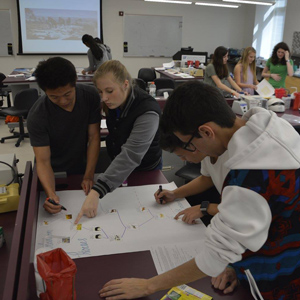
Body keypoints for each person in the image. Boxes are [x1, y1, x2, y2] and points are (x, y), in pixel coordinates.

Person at [99, 81, 300, 300]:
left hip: (283, 271)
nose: (194, 152)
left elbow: (214, 257)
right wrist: (237, 264)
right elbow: (258, 216)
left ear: (206, 132)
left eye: (188, 143)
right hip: (267, 248)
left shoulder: (249, 177)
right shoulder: (263, 124)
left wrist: (148, 286)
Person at [75, 60, 162, 224]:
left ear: (126, 84)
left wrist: (96, 192)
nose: (104, 98)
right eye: (100, 92)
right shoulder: (116, 102)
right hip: (119, 165)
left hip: (145, 170)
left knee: (140, 216)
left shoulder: (147, 111)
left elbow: (131, 155)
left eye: (109, 91)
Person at [27, 57, 101, 214]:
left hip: (80, 167)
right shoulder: (38, 115)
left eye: (67, 94)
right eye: (54, 96)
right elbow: (43, 161)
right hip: (53, 174)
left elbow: (94, 137)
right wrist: (51, 194)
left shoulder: (90, 96)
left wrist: (88, 175)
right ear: (44, 91)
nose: (62, 101)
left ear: (75, 81)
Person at [155, 132, 228, 225]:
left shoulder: (232, 160)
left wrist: (206, 208)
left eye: (182, 155)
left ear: (193, 145)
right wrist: (174, 193)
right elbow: (207, 179)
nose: (182, 160)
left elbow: (242, 211)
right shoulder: (207, 153)